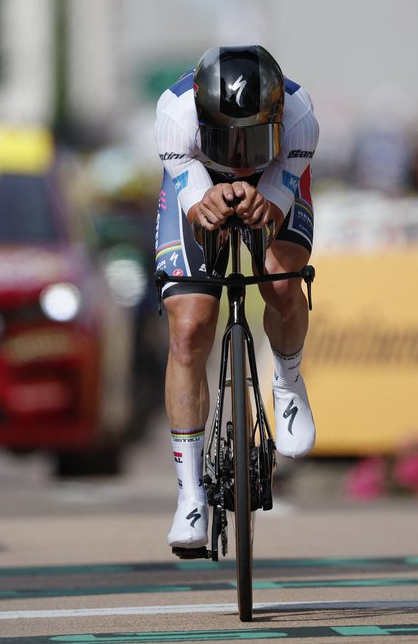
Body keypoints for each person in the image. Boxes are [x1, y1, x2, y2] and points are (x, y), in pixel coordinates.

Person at [153, 45, 319, 554]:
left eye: (252, 137)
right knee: (190, 326)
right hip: (198, 177)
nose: (239, 153)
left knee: (281, 280)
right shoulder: (175, 113)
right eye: (228, 137)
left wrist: (265, 199)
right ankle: (190, 495)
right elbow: (190, 189)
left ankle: (287, 378)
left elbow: (280, 193)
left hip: (274, 180)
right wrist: (206, 199)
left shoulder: (300, 117)